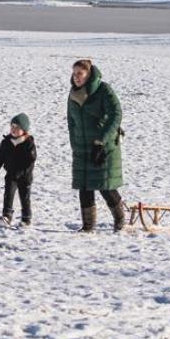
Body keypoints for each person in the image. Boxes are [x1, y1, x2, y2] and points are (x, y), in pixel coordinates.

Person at [66, 58, 125, 232]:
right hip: (81, 146)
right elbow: (71, 121)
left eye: (80, 73)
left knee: (105, 185)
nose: (76, 77)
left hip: (103, 146)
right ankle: (88, 226)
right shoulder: (73, 93)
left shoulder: (103, 89)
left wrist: (102, 140)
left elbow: (116, 114)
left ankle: (120, 218)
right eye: (74, 73)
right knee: (84, 186)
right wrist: (74, 143)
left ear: (89, 73)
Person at [0, 113, 36, 226]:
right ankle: (7, 216)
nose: (13, 130)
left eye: (17, 127)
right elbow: (0, 158)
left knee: (24, 197)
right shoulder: (6, 142)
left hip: (25, 177)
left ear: (24, 130)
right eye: (12, 126)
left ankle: (26, 218)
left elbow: (31, 161)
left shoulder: (28, 143)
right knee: (8, 194)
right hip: (11, 175)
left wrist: (22, 172)